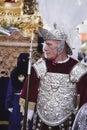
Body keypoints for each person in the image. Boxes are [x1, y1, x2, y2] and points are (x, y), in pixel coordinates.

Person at [19, 26, 87, 130]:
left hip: (67, 125)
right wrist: (26, 121)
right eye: (45, 43)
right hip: (40, 124)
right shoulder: (39, 67)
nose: (45, 48)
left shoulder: (80, 71)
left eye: (49, 44)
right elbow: (30, 97)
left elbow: (84, 108)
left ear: (61, 46)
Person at [5, 53, 29, 130]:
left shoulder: (31, 73)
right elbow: (10, 90)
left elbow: (10, 90)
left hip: (22, 101)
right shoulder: (16, 73)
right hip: (21, 102)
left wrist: (8, 104)